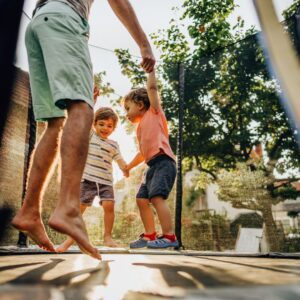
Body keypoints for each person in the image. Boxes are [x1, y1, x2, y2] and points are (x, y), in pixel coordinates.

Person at [12, 0, 155, 259]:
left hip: (37, 24)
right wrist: (144, 44)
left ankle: (29, 212)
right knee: (82, 108)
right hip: (65, 18)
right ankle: (67, 208)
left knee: (54, 123)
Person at [57, 107, 128, 252]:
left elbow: (120, 160)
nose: (105, 128)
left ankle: (107, 236)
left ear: (113, 129)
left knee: (109, 206)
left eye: (109, 126)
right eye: (101, 124)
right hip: (88, 180)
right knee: (79, 210)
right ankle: (69, 241)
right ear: (94, 124)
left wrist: (125, 168)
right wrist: (91, 102)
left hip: (106, 182)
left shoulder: (114, 144)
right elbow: (86, 119)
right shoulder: (90, 136)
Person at [123, 69, 178, 249]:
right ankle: (149, 235)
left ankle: (170, 237)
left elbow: (152, 89)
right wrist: (129, 166)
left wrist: (151, 71)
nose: (126, 113)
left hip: (164, 162)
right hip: (152, 166)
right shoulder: (140, 129)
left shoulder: (154, 112)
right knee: (141, 198)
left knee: (156, 197)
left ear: (139, 104)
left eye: (127, 108)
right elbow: (142, 154)